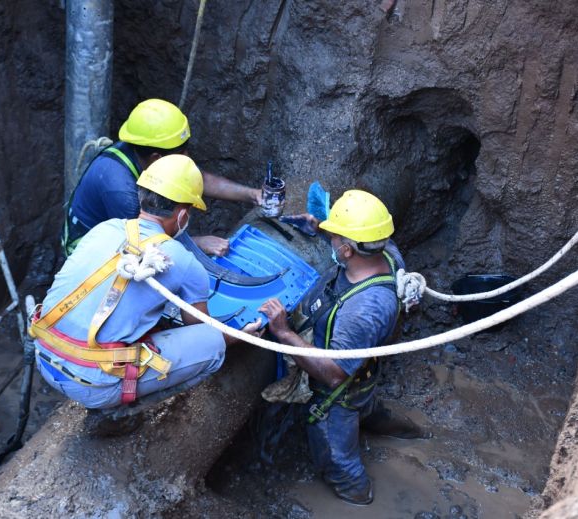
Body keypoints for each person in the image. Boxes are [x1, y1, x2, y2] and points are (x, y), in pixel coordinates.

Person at [32, 154, 261, 411]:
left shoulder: (104, 228)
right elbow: (200, 328)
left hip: (43, 356)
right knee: (213, 344)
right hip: (93, 386)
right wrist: (239, 337)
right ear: (183, 215)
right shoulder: (183, 262)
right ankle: (132, 411)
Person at [259, 190, 423, 506]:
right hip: (364, 375)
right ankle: (412, 433)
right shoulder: (386, 251)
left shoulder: (363, 310)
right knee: (368, 407)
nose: (330, 239)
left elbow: (333, 375)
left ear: (347, 250)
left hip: (337, 395)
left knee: (339, 461)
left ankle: (360, 498)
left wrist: (283, 332)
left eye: (335, 238)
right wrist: (321, 227)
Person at [62, 98, 262, 257]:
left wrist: (253, 195)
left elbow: (196, 178)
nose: (186, 160)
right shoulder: (122, 191)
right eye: (181, 155)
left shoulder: (140, 150)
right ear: (156, 157)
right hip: (92, 253)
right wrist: (199, 243)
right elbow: (144, 246)